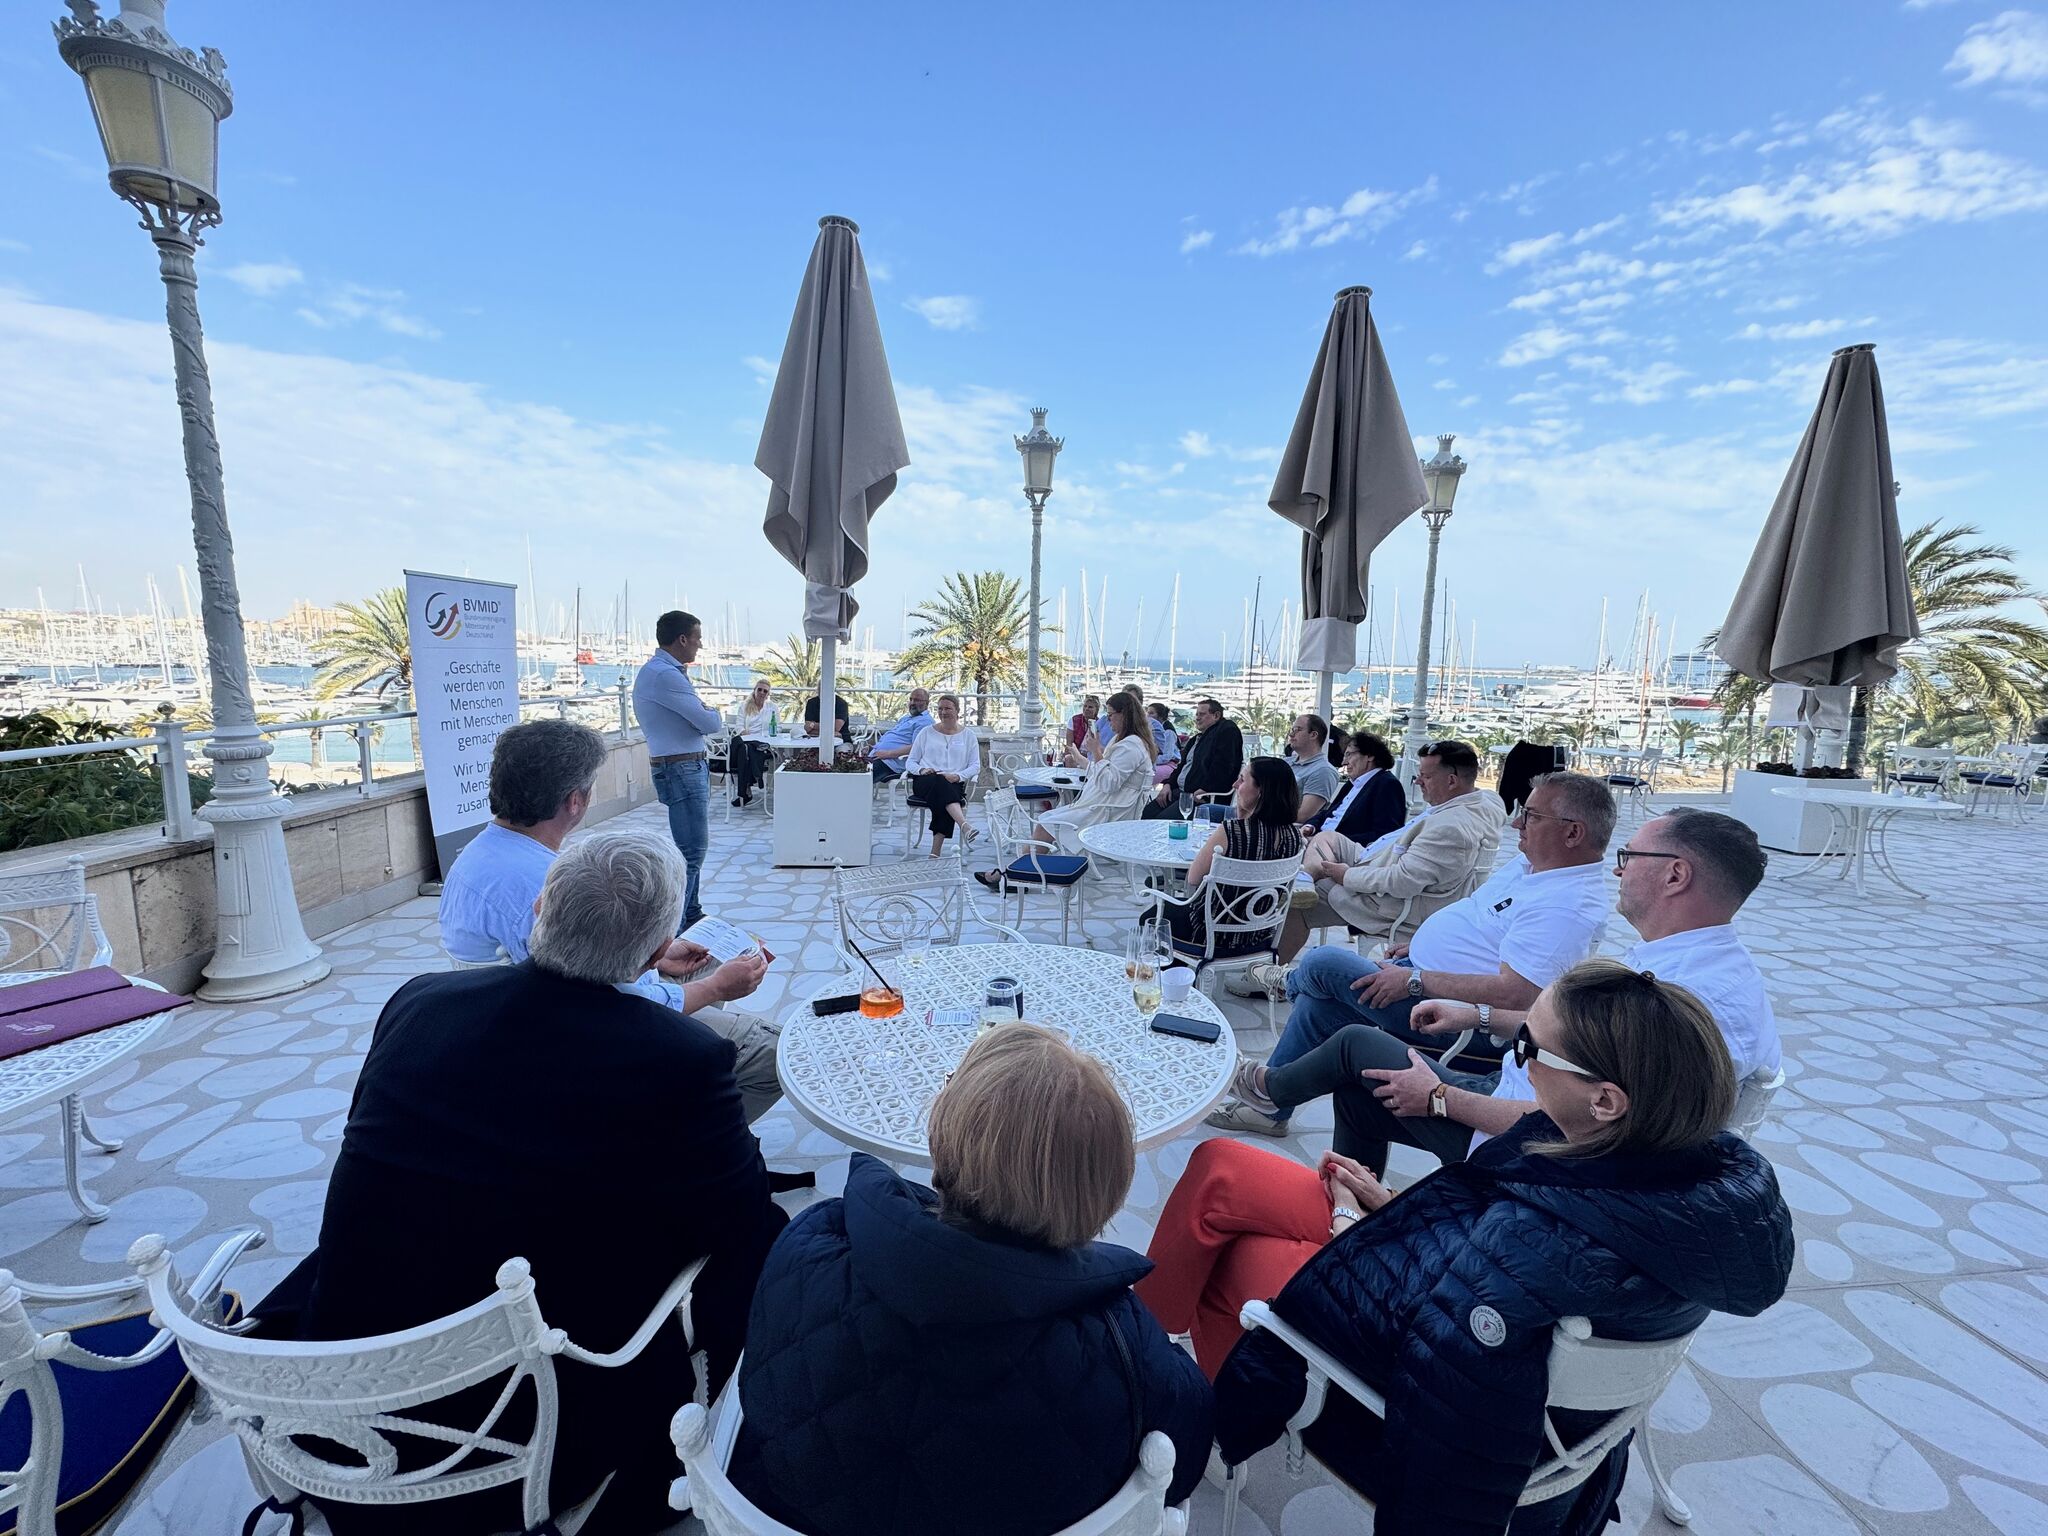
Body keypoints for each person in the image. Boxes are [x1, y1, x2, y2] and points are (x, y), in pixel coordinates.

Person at [1144, 962, 1794, 1536]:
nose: (1517, 1061)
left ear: (1605, 1100)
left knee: (1233, 1257)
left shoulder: (1539, 1242)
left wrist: (1348, 1223)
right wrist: (1392, 1207)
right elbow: (1477, 1256)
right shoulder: (1681, 1188)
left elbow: (1437, 1370)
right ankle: (1149, 1344)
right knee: (1223, 1166)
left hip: (1384, 1372)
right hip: (1435, 1269)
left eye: (1530, 1047)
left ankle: (1174, 1405)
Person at [261, 833, 789, 1536]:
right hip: (513, 1443)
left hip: (344, 1403)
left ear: (541, 909)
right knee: (769, 1241)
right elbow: (738, 1220)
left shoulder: (420, 1002)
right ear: (656, 949)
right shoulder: (683, 1059)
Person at [729, 1025, 1212, 1534]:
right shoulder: (1122, 1345)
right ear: (1100, 1191)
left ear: (946, 1134)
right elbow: (1181, 1463)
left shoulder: (812, 1243)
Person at [1242, 807, 1782, 1179]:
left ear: (1675, 876)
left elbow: (1584, 1129)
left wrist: (1439, 1096)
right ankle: (1349, 1213)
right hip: (1510, 1089)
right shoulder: (1680, 961)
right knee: (1361, 1084)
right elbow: (1575, 1044)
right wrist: (1474, 1015)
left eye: (1631, 857)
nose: (1617, 870)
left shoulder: (1688, 999)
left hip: (1530, 1150)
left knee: (1356, 1045)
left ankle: (1266, 1087)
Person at [1208, 770, 1611, 1137]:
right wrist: (1419, 948)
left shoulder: (1566, 906)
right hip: (1420, 976)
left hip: (1453, 1016)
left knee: (1321, 963)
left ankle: (1285, 983)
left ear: (1572, 833)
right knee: (1321, 1006)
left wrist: (1415, 979)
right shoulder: (1531, 867)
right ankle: (1270, 1107)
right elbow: (1477, 924)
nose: (1517, 823)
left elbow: (1518, 995)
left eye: (1532, 816)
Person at [435, 720, 784, 1123]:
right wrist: (713, 989)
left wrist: (661, 954)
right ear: (575, 801)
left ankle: (684, 1084)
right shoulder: (544, 885)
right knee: (777, 1053)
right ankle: (684, 1139)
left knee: (713, 957)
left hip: (532, 1018)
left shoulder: (482, 854)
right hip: (577, 1044)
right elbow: (609, 1005)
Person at [1234, 737, 1502, 986]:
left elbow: (1401, 882)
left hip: (1390, 904)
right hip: (1377, 858)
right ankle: (1306, 878)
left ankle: (1264, 981)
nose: (1418, 782)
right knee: (1327, 838)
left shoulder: (1450, 827)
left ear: (1452, 781)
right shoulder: (1484, 801)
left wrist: (1345, 876)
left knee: (1295, 905)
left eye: (1426, 776)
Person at [983, 692, 1155, 888]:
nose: (1108, 721)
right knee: (1047, 818)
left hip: (1108, 811)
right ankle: (1017, 874)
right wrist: (1081, 758)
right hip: (1104, 805)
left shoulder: (1131, 747)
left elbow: (1109, 782)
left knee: (1046, 822)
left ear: (1124, 714)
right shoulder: (1124, 741)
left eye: (1110, 715)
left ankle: (1016, 877)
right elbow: (1104, 774)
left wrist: (1096, 751)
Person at [1160, 758, 1303, 958]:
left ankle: (1178, 975)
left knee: (1154, 917)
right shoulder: (1294, 837)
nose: (1235, 785)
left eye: (1242, 780)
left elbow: (1192, 879)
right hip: (1259, 933)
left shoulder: (1231, 831)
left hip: (1212, 934)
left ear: (1261, 791)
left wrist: (1240, 818)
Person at [632, 609, 719, 928]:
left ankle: (691, 913)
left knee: (690, 850)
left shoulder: (660, 672)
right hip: (681, 769)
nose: (699, 645)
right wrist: (711, 712)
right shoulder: (664, 676)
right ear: (682, 639)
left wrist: (702, 713)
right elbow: (709, 723)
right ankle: (676, 927)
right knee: (691, 853)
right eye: (697, 638)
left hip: (680, 767)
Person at [905, 692, 983, 856]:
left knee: (944, 796)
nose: (943, 712)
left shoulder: (968, 735)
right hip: (925, 780)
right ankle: (964, 825)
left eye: (947, 708)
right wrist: (921, 770)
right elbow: (910, 762)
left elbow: (975, 766)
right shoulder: (926, 732)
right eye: (940, 709)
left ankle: (935, 854)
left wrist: (958, 776)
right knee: (941, 786)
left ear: (957, 711)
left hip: (953, 782)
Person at [1148, 696, 1243, 817]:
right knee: (1145, 814)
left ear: (1216, 716)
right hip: (1178, 792)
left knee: (1160, 821)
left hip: (1200, 797)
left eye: (1202, 714)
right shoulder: (1195, 740)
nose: (1197, 718)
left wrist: (1206, 789)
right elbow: (1181, 766)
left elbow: (1224, 766)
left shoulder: (1227, 730)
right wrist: (1168, 784)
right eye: (1197, 714)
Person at [1305, 730, 1405, 843]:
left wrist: (1335, 841)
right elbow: (1328, 813)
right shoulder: (1352, 784)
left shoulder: (1387, 785)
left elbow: (1386, 834)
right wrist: (1310, 826)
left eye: (1349, 755)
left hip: (1340, 847)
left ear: (1369, 755)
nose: (1343, 762)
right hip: (1318, 838)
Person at [865, 687, 932, 782]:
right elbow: (896, 737)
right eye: (911, 699)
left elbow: (917, 747)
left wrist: (888, 754)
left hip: (890, 762)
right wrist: (874, 748)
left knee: (859, 779)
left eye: (917, 700)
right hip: (878, 756)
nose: (912, 703)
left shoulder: (925, 722)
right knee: (848, 769)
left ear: (926, 703)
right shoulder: (906, 718)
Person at [726, 679, 775, 807]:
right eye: (759, 689)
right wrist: (744, 732)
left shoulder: (772, 707)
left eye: (765, 691)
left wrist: (767, 735)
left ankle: (744, 792)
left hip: (762, 742)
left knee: (746, 751)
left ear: (768, 694)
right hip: (746, 739)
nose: (762, 692)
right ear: (754, 690)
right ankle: (754, 781)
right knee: (745, 749)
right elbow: (739, 726)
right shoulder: (744, 705)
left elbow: (778, 727)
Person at [1285, 713, 1341, 822]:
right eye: (1292, 730)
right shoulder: (1285, 763)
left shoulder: (1324, 771)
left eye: (1297, 730)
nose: (1291, 734)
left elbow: (1303, 816)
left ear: (1313, 735)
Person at [1069, 694, 1103, 759]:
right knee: (1068, 758)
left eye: (1090, 707)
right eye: (1085, 706)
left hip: (1091, 755)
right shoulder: (1074, 720)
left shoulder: (1099, 724)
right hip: (1076, 753)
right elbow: (1069, 744)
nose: (1086, 709)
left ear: (1096, 710)